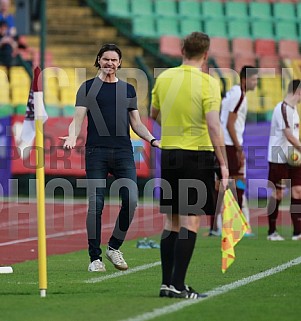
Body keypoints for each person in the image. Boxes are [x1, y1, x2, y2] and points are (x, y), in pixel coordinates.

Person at [60, 43, 160, 272]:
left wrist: (153, 140)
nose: (110, 63)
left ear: (120, 63)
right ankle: (95, 258)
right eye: (106, 59)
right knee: (96, 205)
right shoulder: (87, 88)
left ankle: (114, 247)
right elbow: (77, 119)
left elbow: (136, 124)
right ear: (98, 60)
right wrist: (72, 136)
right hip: (96, 152)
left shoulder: (128, 90)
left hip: (124, 152)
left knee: (132, 200)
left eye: (114, 60)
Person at [150, 32, 228, 299]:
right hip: (198, 155)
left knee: (171, 220)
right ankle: (179, 285)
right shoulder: (208, 82)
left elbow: (153, 115)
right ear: (206, 54)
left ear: (182, 49)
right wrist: (224, 164)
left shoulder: (164, 78)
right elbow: (214, 126)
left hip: (170, 153)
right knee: (191, 221)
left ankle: (165, 283)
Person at [209, 66, 258, 236]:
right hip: (229, 144)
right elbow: (230, 123)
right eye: (254, 79)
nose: (256, 82)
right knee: (238, 182)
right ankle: (237, 225)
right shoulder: (239, 95)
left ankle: (215, 226)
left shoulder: (234, 92)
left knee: (221, 185)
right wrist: (238, 148)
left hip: (224, 143)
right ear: (244, 79)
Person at [267, 79, 301, 241]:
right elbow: (288, 135)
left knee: (298, 190)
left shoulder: (294, 110)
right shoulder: (282, 108)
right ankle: (272, 231)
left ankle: (298, 232)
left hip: (294, 158)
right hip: (279, 157)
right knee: (278, 193)